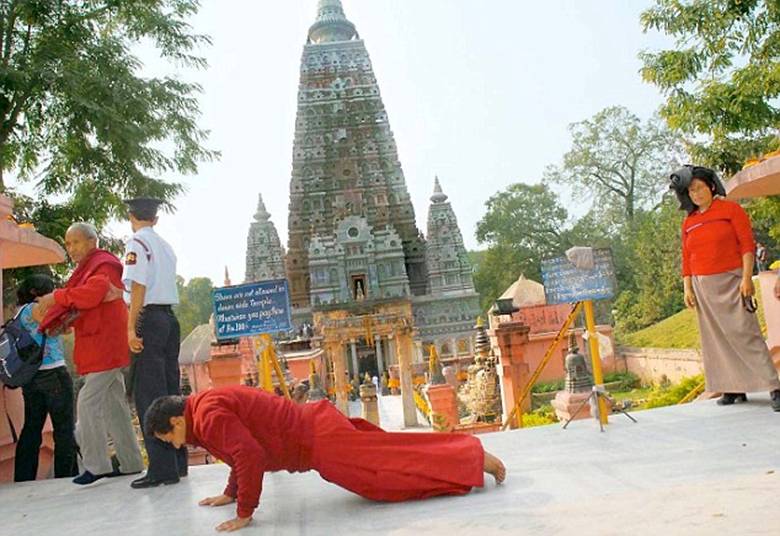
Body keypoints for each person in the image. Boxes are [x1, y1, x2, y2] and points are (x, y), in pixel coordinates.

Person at [145, 386, 506, 532]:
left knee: (391, 472)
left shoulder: (207, 416)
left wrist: (244, 513)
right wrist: (231, 492)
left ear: (177, 420)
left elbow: (248, 454)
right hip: (318, 432)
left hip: (321, 443)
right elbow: (239, 451)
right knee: (390, 461)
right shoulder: (206, 408)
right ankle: (467, 457)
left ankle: (473, 456)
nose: (177, 446)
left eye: (170, 438)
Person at [37, 222, 145, 484]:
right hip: (99, 343)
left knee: (87, 402)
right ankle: (131, 462)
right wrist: (65, 321)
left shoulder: (103, 264)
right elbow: (88, 304)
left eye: (75, 242)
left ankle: (97, 465)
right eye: (68, 244)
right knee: (115, 406)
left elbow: (92, 294)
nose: (71, 249)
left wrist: (56, 297)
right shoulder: (88, 268)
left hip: (105, 346)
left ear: (92, 241)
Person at [679, 166, 780, 411]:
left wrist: (747, 278)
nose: (697, 194)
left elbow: (747, 245)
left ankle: (774, 387)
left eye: (700, 188)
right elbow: (686, 257)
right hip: (703, 285)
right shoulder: (689, 222)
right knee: (715, 339)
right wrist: (688, 288)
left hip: (732, 280)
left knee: (747, 333)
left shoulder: (730, 210)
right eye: (692, 191)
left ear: (711, 187)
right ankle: (734, 388)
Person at [122, 197, 187, 488]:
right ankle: (178, 461)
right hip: (170, 320)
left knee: (149, 395)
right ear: (156, 219)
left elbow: (138, 286)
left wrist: (130, 329)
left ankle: (161, 470)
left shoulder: (137, 243)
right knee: (171, 392)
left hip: (148, 319)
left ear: (131, 216)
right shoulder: (166, 245)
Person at [13, 275, 77, 481]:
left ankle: (23, 477)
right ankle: (66, 477)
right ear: (37, 292)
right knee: (64, 427)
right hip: (53, 372)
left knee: (32, 427)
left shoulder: (20, 312)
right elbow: (51, 328)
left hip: (31, 377)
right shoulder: (36, 308)